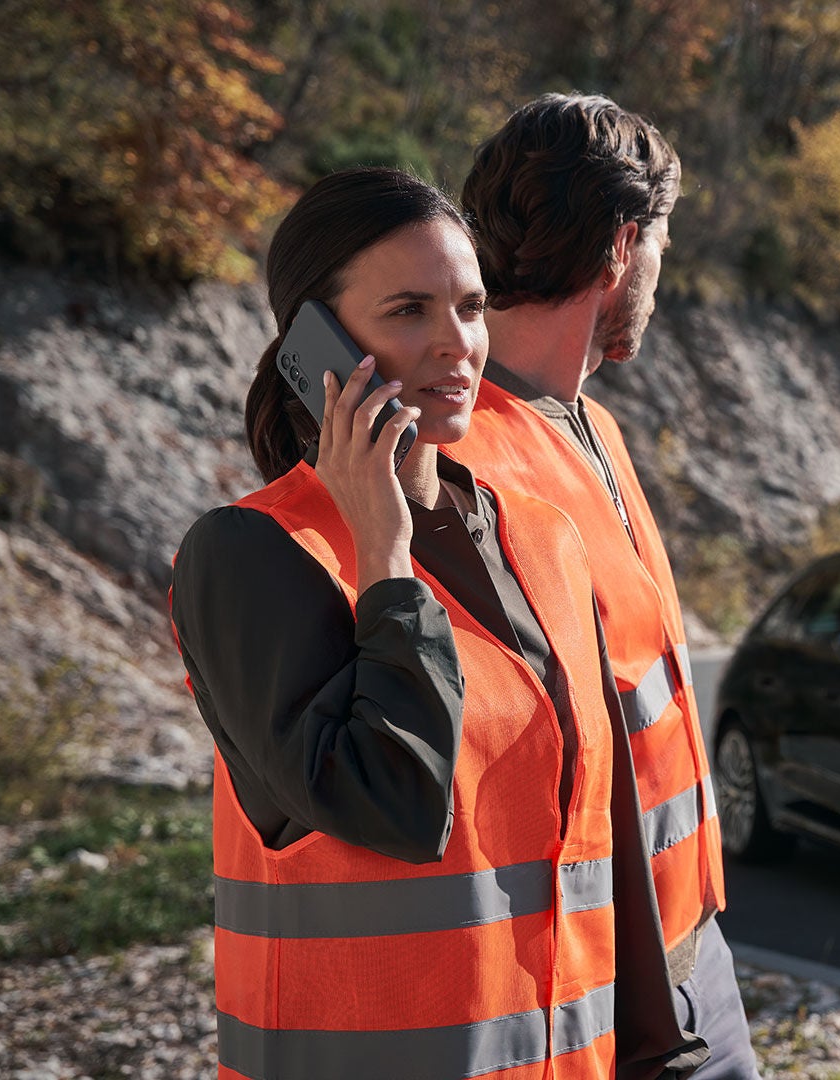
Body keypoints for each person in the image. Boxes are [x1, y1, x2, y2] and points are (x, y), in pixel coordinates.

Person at [171, 167, 621, 1080]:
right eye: (410, 310)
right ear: (318, 343)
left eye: (472, 307)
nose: (458, 344)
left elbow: (595, 836)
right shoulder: (252, 555)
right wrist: (385, 551)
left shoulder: (541, 537)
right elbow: (394, 801)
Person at [453, 94, 754, 1079]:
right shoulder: (462, 463)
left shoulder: (596, 428)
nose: (662, 271)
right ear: (624, 244)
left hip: (691, 949)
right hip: (609, 1001)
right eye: (662, 241)